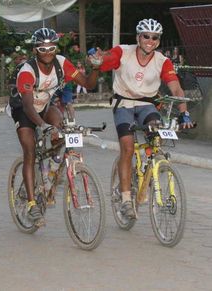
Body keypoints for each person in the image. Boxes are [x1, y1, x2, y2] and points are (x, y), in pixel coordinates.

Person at [94, 18, 193, 219]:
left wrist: (184, 113)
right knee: (128, 147)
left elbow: (175, 88)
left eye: (154, 37)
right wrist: (100, 59)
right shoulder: (124, 51)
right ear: (138, 37)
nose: (150, 40)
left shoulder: (162, 61)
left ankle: (149, 173)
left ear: (158, 40)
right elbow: (108, 60)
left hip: (147, 104)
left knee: (156, 137)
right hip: (124, 104)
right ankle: (125, 199)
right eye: (146, 36)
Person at [10, 28, 100, 226]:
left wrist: (96, 68)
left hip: (44, 107)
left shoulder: (61, 63)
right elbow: (26, 105)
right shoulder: (27, 71)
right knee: (30, 150)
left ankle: (51, 166)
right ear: (35, 50)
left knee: (63, 129)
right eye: (43, 48)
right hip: (24, 111)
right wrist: (43, 126)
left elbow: (87, 83)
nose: (48, 52)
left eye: (51, 47)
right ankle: (32, 204)